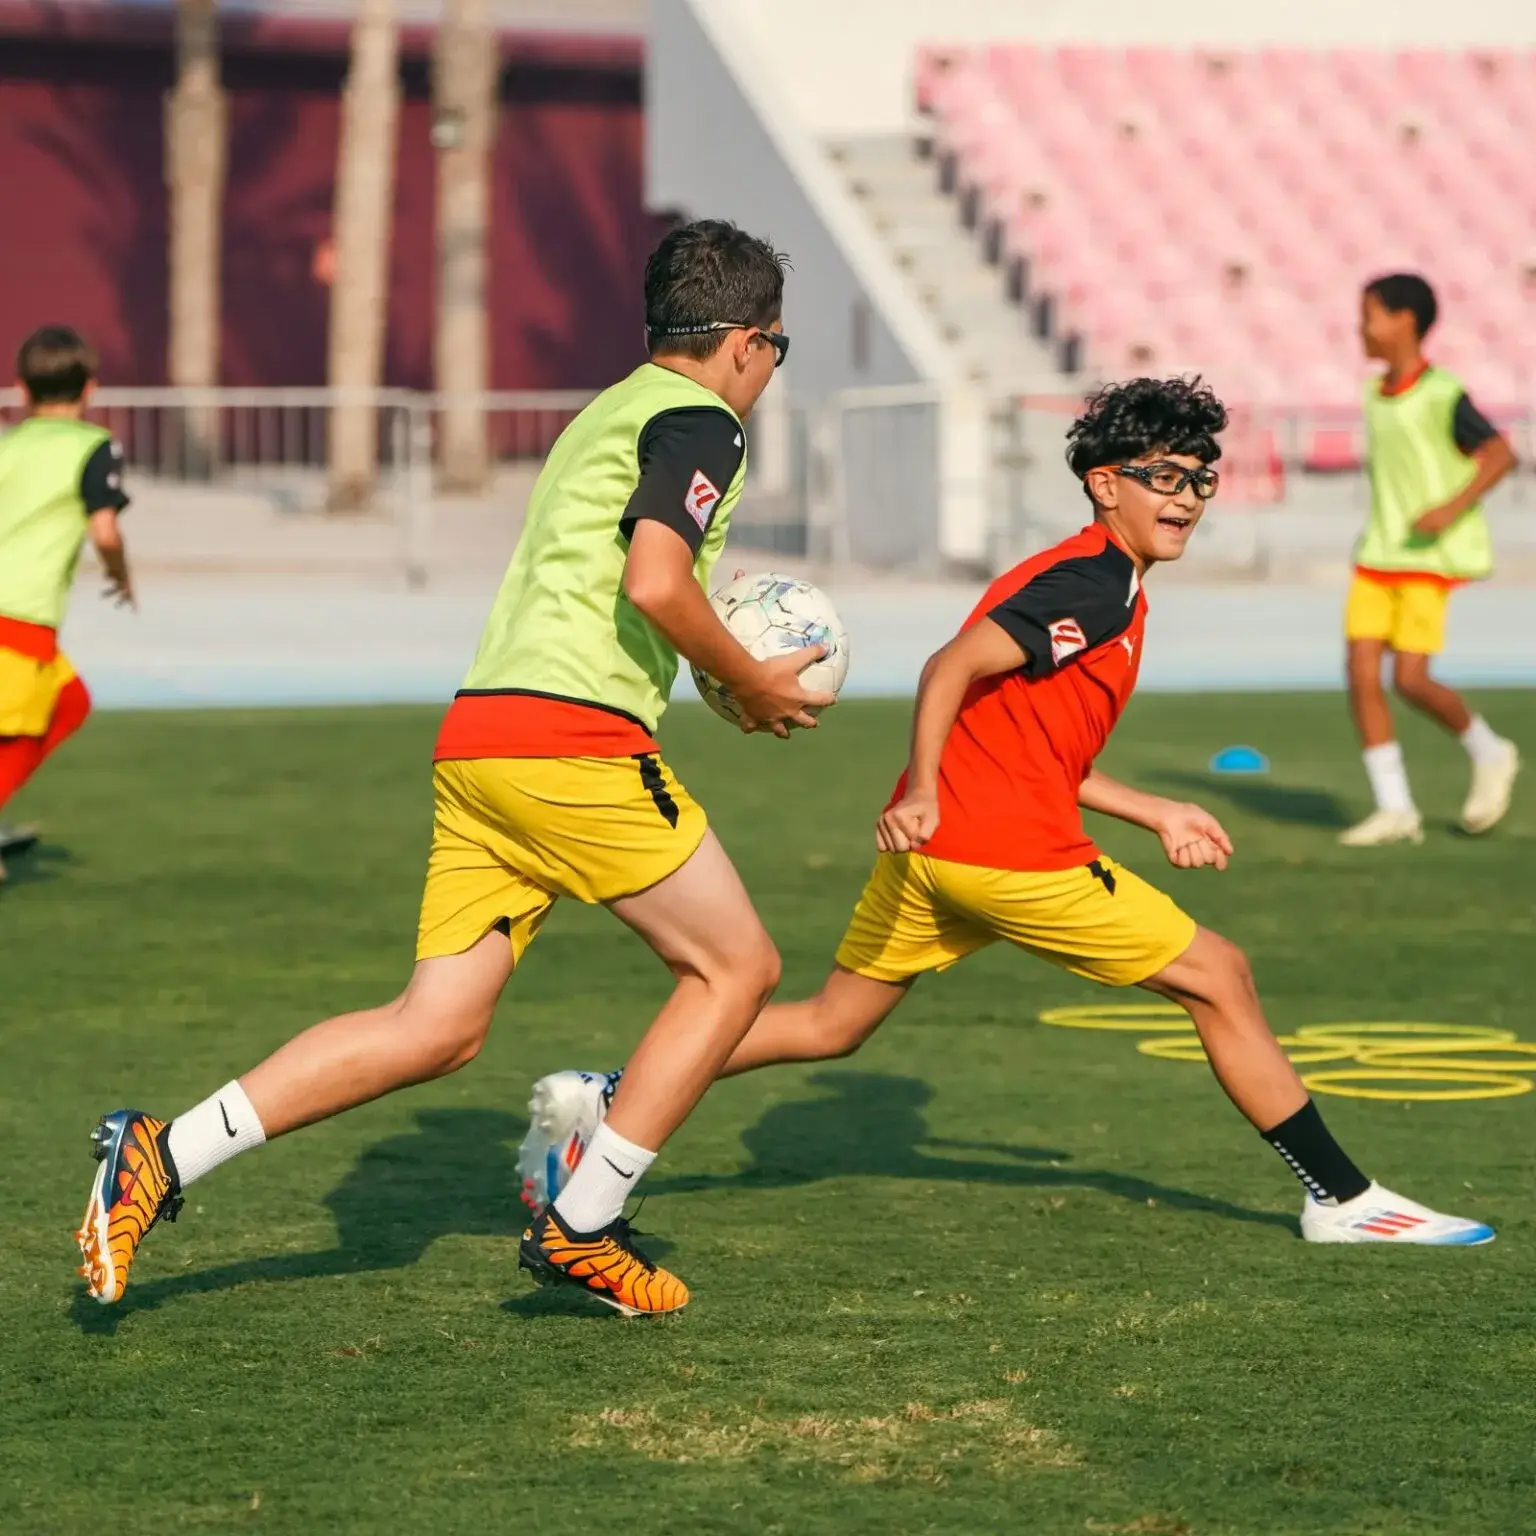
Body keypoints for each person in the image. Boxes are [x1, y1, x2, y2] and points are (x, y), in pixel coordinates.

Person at [522, 377, 1494, 1250]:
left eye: (1202, 478)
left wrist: (1152, 808)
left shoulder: (1086, 574)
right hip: (1005, 854)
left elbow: (1030, 743)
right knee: (1221, 977)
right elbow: (951, 666)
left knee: (829, 1026)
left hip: (943, 851)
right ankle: (1344, 1198)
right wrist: (921, 787)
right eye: (1164, 476)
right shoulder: (1094, 583)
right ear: (1106, 484)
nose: (1187, 497)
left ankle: (609, 1099)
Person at [74, 219, 833, 1317]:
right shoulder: (703, 420)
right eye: (777, 353)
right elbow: (657, 586)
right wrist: (751, 682)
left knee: (437, 1027)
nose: (768, 374)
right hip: (571, 745)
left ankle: (160, 1153)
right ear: (749, 342)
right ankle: (586, 1225)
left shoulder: (604, 412)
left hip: (482, 740)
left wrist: (702, 665)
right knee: (737, 971)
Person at [1340, 273, 1519, 847]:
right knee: (1361, 672)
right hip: (1378, 554)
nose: (1361, 327)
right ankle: (1395, 809)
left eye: (1369, 314)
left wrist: (1450, 507)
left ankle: (1490, 750)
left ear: (1404, 321)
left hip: (1425, 560)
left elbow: (1500, 453)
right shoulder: (1372, 393)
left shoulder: (1443, 393)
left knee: (1410, 679)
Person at [0, 326, 133, 882]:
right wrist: (121, 577)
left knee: (70, 700)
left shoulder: (8, 444)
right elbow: (104, 532)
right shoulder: (92, 446)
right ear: (91, 389)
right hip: (20, 616)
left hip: (16, 617)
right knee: (25, 730)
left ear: (21, 388)